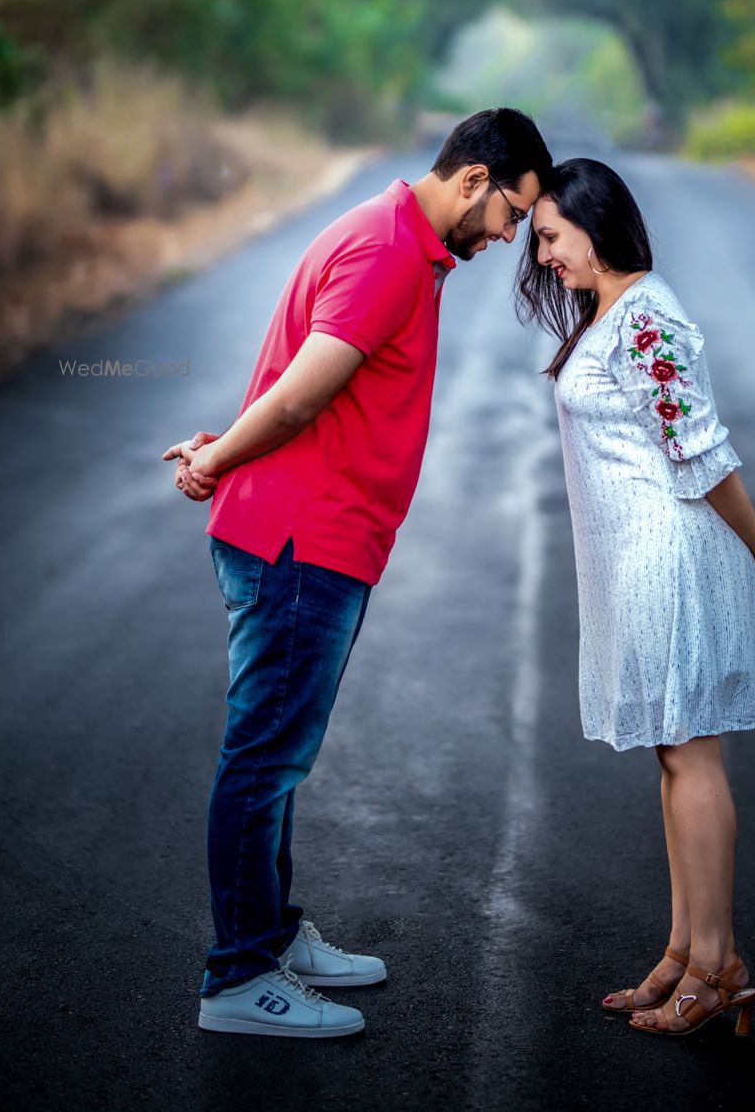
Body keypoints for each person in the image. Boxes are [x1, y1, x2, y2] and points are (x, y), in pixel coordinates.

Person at [162, 107, 553, 1039]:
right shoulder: (387, 254)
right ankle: (237, 980)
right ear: (473, 180)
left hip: (315, 535)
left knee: (277, 757)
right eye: (512, 214)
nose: (510, 238)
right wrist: (219, 462)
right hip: (302, 544)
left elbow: (299, 372)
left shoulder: (399, 240)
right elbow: (300, 395)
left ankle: (271, 934)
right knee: (263, 760)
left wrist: (228, 443)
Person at [515, 157, 755, 1041]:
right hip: (633, 565)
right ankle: (685, 951)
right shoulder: (612, 313)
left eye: (553, 239)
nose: (546, 257)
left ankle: (719, 965)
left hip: (672, 559)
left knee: (693, 758)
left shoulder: (649, 317)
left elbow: (700, 448)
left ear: (597, 229)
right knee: (673, 759)